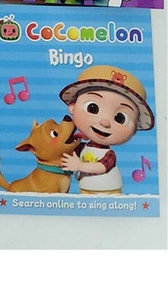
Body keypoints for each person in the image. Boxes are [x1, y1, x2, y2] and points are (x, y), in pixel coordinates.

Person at [59, 65, 154, 194]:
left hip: (109, 191)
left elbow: (102, 167)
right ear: (72, 106)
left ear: (134, 129)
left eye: (120, 118)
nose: (105, 122)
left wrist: (79, 166)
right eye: (93, 108)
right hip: (85, 190)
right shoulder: (82, 147)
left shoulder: (109, 155)